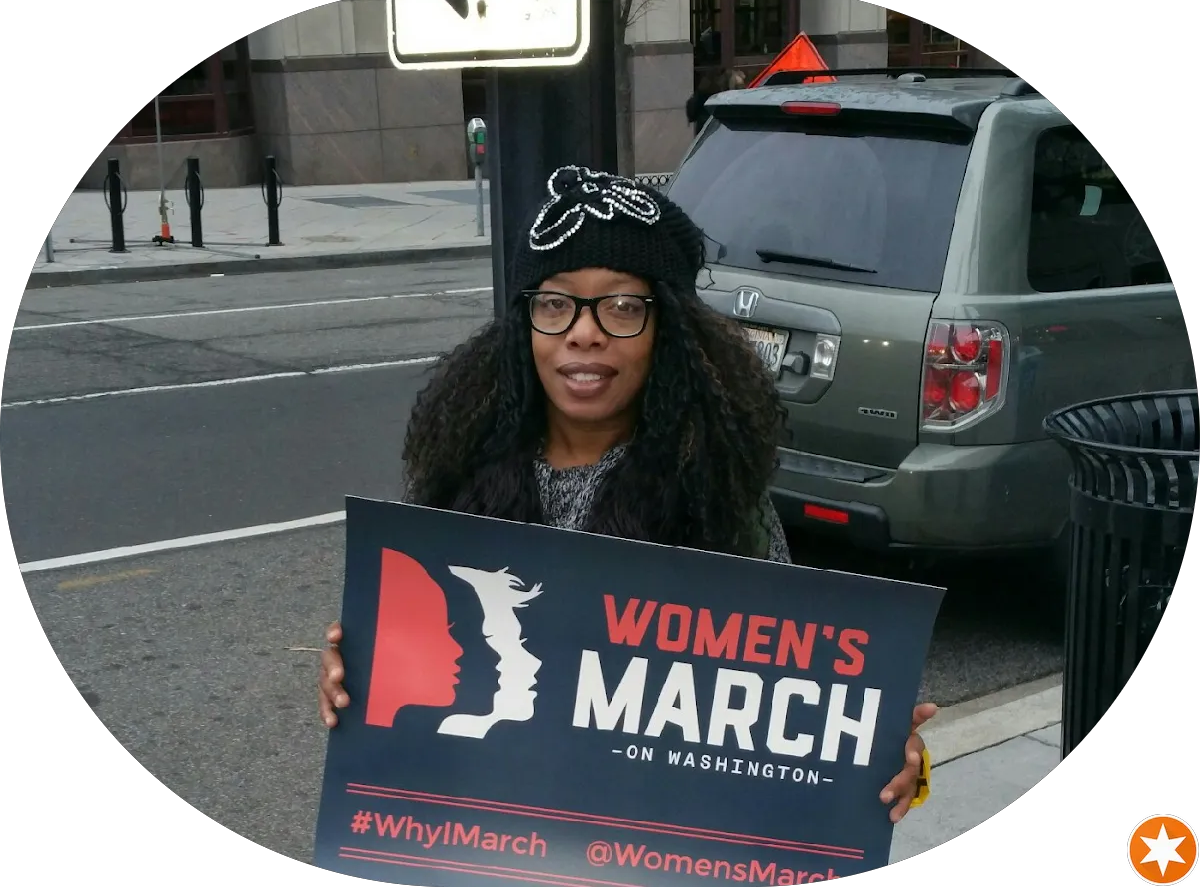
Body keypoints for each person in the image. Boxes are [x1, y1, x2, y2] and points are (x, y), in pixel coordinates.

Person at [318, 164, 936, 823]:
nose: (583, 331)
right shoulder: (459, 478)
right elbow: (416, 691)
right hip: (489, 839)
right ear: (524, 323)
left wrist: (889, 760)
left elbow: (789, 701)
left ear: (667, 331)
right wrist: (358, 679)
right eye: (554, 304)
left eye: (621, 307)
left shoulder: (717, 495)